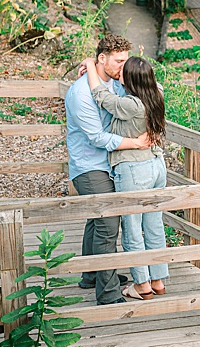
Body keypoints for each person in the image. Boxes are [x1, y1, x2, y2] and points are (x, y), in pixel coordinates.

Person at [62, 34, 154, 305]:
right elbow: (97, 137)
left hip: (109, 162)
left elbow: (150, 89)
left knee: (96, 218)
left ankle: (92, 275)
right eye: (119, 61)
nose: (124, 67)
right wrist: (136, 143)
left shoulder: (115, 83)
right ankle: (108, 293)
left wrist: (90, 64)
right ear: (103, 59)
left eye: (126, 60)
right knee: (107, 223)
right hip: (89, 165)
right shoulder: (80, 94)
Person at [82, 54, 169, 300]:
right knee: (153, 225)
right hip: (156, 165)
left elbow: (101, 96)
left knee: (132, 228)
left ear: (129, 80)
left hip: (133, 169)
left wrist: (90, 65)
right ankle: (158, 279)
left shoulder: (131, 105)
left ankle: (141, 285)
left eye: (123, 71)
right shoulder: (157, 94)